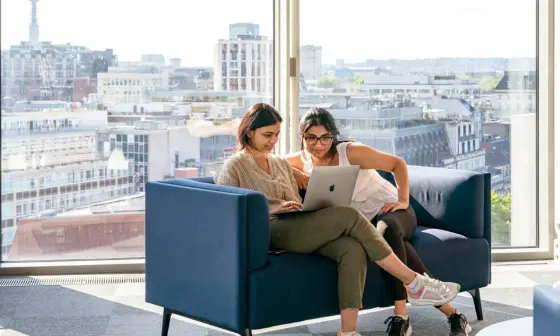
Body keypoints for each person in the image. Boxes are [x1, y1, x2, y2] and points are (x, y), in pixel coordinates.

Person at [214, 103, 461, 336]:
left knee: (351, 248)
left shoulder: (279, 163)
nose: (273, 141)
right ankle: (414, 282)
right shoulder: (235, 165)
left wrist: (306, 195)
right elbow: (225, 205)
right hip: (271, 229)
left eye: (277, 134)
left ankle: (348, 331)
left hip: (300, 224)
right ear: (248, 132)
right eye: (268, 135)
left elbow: (307, 182)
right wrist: (273, 207)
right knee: (349, 216)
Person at [285, 107, 472, 336]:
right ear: (301, 136)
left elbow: (397, 163)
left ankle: (401, 315)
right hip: (364, 223)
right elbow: (270, 162)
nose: (318, 144)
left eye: (325, 137)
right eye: (311, 138)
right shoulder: (298, 161)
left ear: (333, 136)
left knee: (386, 231)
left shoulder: (350, 152)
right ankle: (454, 314)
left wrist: (403, 199)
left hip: (393, 211)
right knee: (394, 245)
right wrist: (296, 173)